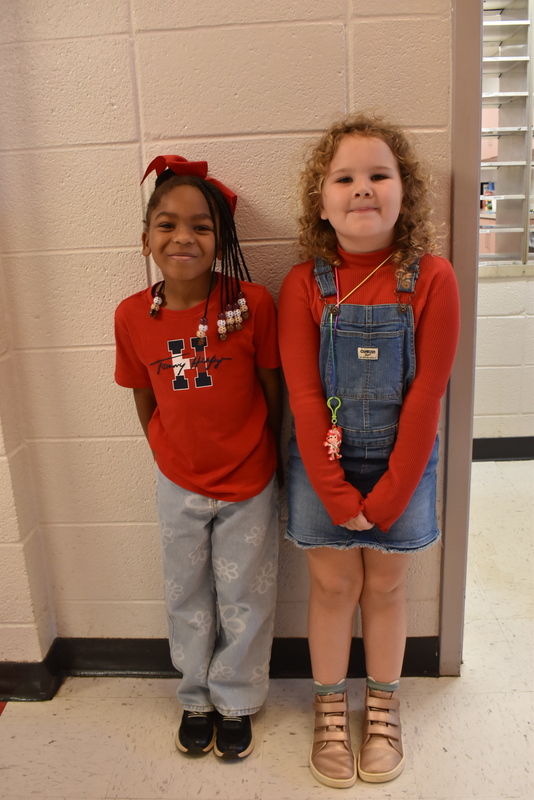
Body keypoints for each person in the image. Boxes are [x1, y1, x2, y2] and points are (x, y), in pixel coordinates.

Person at [278, 114, 460, 788]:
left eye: (378, 175)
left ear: (403, 192)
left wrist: (384, 497)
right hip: (320, 468)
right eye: (344, 177)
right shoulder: (303, 285)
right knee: (332, 585)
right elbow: (301, 396)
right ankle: (331, 707)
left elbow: (427, 397)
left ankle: (381, 704)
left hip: (403, 467)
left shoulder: (432, 279)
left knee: (385, 584)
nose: (362, 189)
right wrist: (335, 493)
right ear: (321, 202)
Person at [114, 155, 282, 760]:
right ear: (146, 240)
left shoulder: (252, 304)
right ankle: (195, 697)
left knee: (246, 597)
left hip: (250, 480)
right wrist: (163, 450)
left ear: (222, 239)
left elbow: (271, 388)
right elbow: (141, 392)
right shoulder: (133, 315)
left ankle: (237, 698)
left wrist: (272, 460)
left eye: (201, 226)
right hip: (177, 481)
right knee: (185, 592)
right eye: (166, 224)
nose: (183, 237)